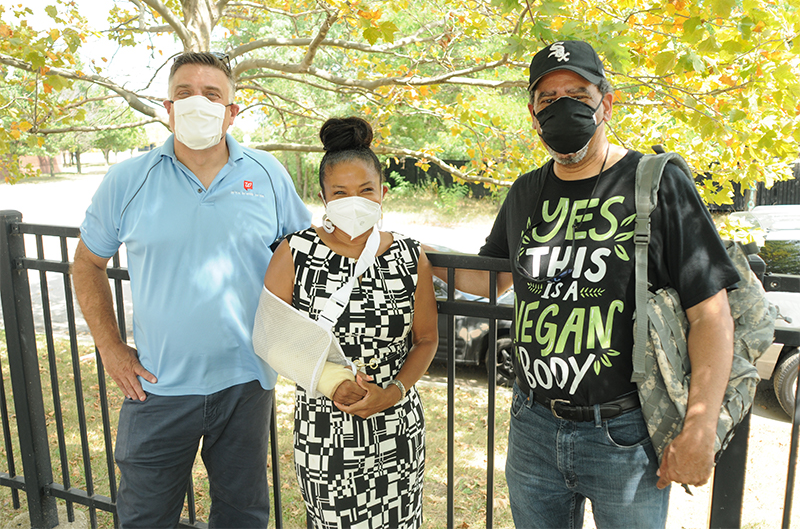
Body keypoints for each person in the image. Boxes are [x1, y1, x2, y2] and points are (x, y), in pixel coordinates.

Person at [439, 40, 740, 528]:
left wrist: (700, 428)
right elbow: (490, 280)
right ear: (533, 114)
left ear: (606, 101)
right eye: (548, 98)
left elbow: (709, 312)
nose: (563, 107)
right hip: (532, 425)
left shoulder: (655, 182)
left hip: (624, 433)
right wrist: (412, 255)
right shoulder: (526, 192)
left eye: (577, 94)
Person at [72, 51, 311, 527]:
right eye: (184, 93)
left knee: (242, 514)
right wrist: (112, 349)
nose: (196, 102)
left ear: (231, 111)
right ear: (168, 107)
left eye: (211, 94)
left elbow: (304, 261)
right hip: (157, 389)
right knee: (144, 515)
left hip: (247, 382)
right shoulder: (127, 179)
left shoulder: (267, 175)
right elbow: (87, 264)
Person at [262, 116, 438, 528]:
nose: (353, 200)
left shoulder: (410, 256)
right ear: (323, 197)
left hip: (397, 425)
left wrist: (393, 392)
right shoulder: (295, 252)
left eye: (365, 190)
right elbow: (272, 337)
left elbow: (426, 340)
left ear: (383, 194)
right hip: (326, 426)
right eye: (340, 192)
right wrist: (331, 382)